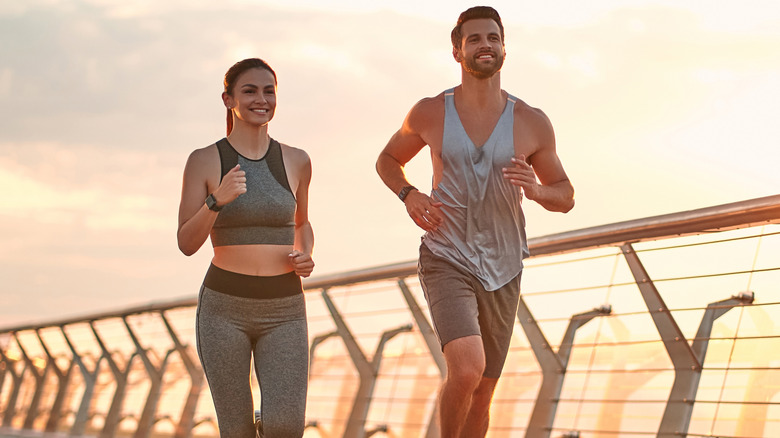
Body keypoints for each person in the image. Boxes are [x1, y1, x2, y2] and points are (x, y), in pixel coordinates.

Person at [376, 7, 575, 437]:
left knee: (484, 390)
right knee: (466, 370)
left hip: (504, 268)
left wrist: (537, 191)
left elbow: (566, 194)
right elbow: (387, 159)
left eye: (492, 38)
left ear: (504, 48)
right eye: (474, 39)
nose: (485, 45)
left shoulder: (531, 121)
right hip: (446, 255)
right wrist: (409, 194)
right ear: (456, 50)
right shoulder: (430, 112)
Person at [177, 58, 314, 438]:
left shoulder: (297, 160)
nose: (262, 98)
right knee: (236, 429)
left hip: (285, 307)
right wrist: (215, 202)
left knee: (285, 427)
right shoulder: (204, 160)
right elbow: (187, 243)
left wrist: (305, 253)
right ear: (228, 99)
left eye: (269, 90)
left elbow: (301, 223)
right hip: (224, 309)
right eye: (250, 90)